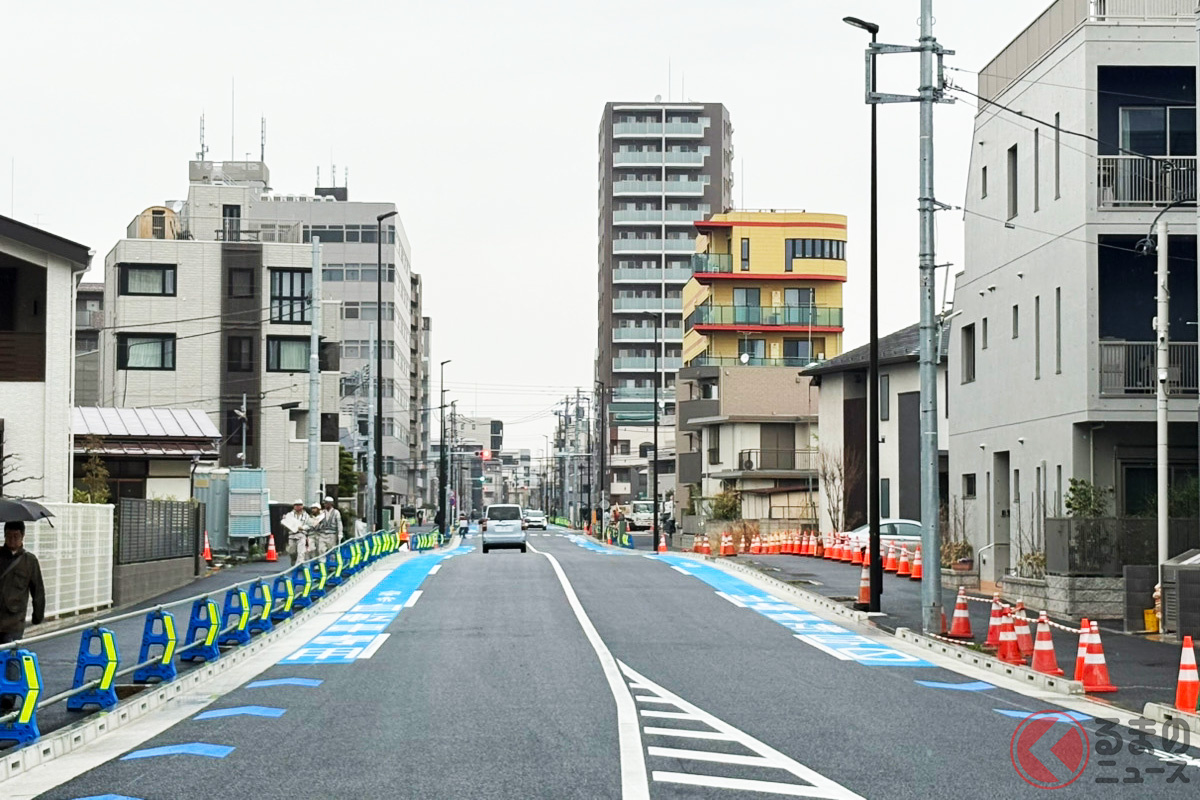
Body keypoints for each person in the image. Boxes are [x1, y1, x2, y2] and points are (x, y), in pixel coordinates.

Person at [0, 521, 45, 644]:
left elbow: (38, 590)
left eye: (16, 536)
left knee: (10, 653)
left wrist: (38, 616)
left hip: (14, 620)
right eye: (9, 535)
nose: (12, 539)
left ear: (23, 536)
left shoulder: (30, 561)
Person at [283, 500, 315, 566]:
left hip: (301, 535)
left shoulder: (306, 515)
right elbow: (285, 524)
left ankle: (299, 566)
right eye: (296, 505)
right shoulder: (290, 515)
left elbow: (309, 525)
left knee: (301, 552)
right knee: (292, 552)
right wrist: (285, 519)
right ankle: (293, 562)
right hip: (292, 535)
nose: (298, 506)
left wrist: (303, 527)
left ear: (302, 506)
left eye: (299, 505)